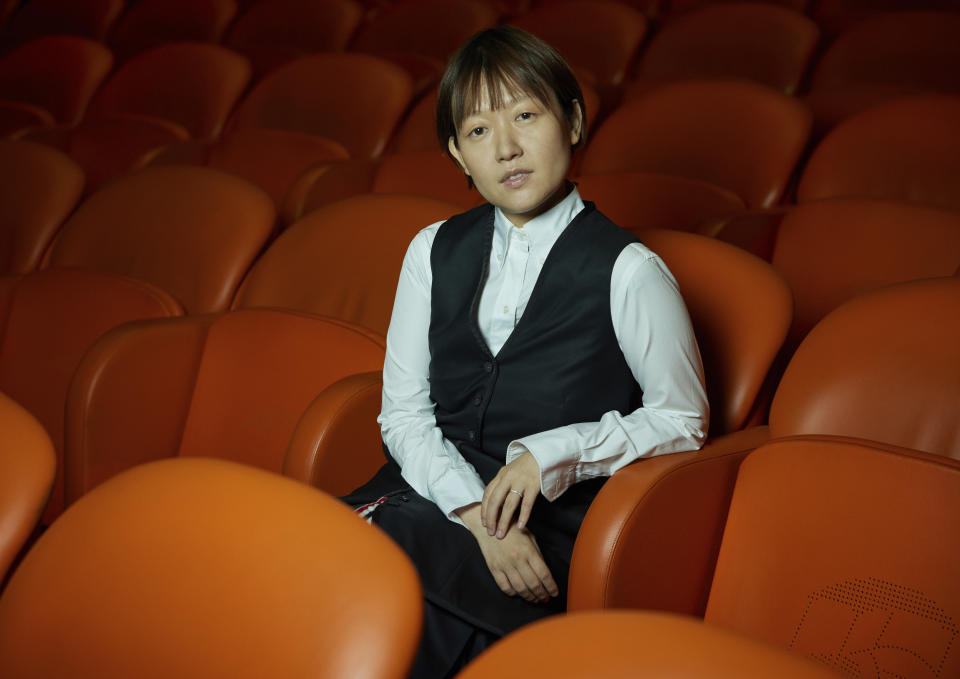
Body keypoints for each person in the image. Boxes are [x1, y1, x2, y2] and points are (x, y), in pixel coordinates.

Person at [342, 26, 709, 678]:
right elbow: (402, 414)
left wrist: (552, 452)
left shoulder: (630, 269)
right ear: (458, 153)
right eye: (478, 131)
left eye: (525, 115)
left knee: (375, 586)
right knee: (317, 555)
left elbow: (683, 420)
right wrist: (475, 517)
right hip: (427, 500)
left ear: (570, 121)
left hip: (545, 536)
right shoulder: (432, 250)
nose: (506, 147)